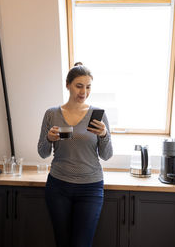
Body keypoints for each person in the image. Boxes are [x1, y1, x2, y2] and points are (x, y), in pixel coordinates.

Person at [37, 62, 113, 247]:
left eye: (88, 87)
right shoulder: (52, 114)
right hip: (58, 187)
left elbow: (107, 155)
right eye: (79, 86)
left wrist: (104, 135)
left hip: (90, 188)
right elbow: (43, 152)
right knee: (62, 243)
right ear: (68, 85)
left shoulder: (98, 115)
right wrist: (49, 138)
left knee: (81, 244)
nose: (83, 92)